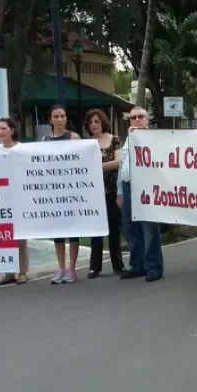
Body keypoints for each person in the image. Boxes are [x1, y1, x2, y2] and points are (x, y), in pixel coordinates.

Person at [117, 107, 164, 282]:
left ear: (147, 120)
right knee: (131, 229)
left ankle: (154, 266)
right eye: (133, 117)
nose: (136, 120)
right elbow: (123, 166)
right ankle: (137, 266)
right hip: (128, 187)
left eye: (140, 117)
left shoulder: (154, 140)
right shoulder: (128, 139)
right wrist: (120, 191)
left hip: (147, 188)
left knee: (149, 229)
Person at [83, 109, 126, 279]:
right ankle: (95, 267)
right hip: (93, 192)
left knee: (114, 228)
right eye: (91, 122)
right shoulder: (86, 144)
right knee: (96, 229)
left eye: (97, 122)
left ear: (103, 122)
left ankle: (118, 264)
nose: (94, 125)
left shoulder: (114, 140)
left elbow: (119, 162)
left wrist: (98, 166)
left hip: (112, 190)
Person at [0, 117, 30, 286]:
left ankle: (22, 271)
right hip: (0, 198)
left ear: (12, 130)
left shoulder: (22, 149)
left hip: (18, 197)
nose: (1, 132)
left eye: (4, 128)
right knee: (3, 235)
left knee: (20, 236)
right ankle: (8, 272)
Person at [43, 105, 82, 284]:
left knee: (73, 231)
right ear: (50, 120)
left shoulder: (74, 138)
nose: (59, 119)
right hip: (54, 191)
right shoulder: (45, 141)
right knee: (58, 232)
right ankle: (61, 267)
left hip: (71, 190)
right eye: (56, 116)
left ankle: (72, 269)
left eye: (62, 116)